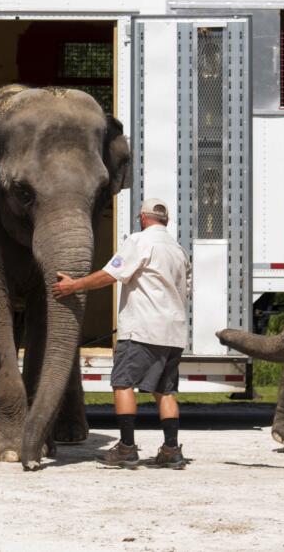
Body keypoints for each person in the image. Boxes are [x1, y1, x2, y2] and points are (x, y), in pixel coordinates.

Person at [54, 197, 191, 469]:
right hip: (173, 331)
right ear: (166, 220)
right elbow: (185, 288)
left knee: (122, 383)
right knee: (165, 392)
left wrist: (75, 285)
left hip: (141, 329)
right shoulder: (178, 250)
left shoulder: (139, 241)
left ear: (142, 217)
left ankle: (126, 448)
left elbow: (111, 274)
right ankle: (171, 449)